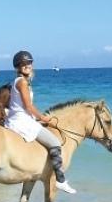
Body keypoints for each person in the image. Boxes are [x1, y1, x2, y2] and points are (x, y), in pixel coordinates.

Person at [4, 50, 76, 194]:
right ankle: (60, 180)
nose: (27, 65)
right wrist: (44, 118)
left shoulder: (20, 81)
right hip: (22, 122)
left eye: (29, 63)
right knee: (55, 143)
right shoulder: (22, 82)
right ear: (17, 67)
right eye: (23, 64)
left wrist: (37, 118)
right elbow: (28, 106)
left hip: (22, 118)